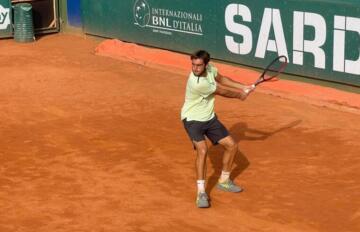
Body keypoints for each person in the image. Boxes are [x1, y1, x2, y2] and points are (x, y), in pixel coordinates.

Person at [181, 50, 255, 208]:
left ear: (206, 64)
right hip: (193, 120)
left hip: (209, 118)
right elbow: (221, 91)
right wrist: (240, 95)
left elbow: (221, 79)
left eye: (199, 65)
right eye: (193, 65)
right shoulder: (197, 82)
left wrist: (244, 86)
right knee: (202, 150)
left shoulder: (210, 69)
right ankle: (201, 192)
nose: (195, 68)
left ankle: (224, 180)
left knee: (232, 146)